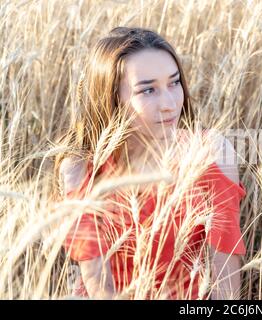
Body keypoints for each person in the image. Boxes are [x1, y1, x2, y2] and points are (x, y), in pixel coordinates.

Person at [55, 27, 247, 300]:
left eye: (174, 82)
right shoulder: (81, 167)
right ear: (111, 99)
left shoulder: (210, 152)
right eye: (148, 90)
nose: (169, 103)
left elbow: (226, 285)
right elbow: (99, 287)